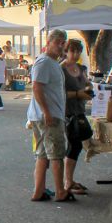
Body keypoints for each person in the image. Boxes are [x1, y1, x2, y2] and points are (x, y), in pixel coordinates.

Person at [27, 30, 74, 202]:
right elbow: (36, 87)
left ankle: (38, 190)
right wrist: (47, 112)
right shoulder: (44, 62)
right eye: (58, 42)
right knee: (56, 154)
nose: (62, 46)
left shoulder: (53, 63)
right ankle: (60, 190)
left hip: (47, 114)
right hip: (48, 116)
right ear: (49, 43)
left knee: (43, 154)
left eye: (63, 43)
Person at [61, 39, 91, 195]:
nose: (76, 54)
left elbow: (86, 83)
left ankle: (70, 180)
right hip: (67, 113)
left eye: (78, 51)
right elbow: (58, 94)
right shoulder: (61, 69)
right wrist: (77, 94)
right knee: (74, 145)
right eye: (73, 51)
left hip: (79, 110)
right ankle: (68, 182)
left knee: (77, 144)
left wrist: (88, 89)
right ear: (66, 51)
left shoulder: (80, 68)